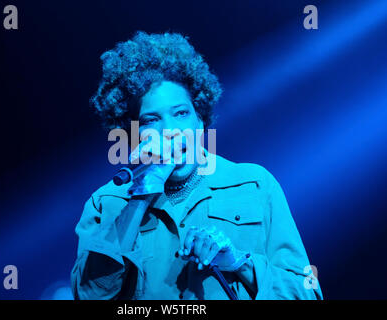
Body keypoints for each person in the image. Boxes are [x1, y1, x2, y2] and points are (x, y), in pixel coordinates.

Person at [71, 31, 323, 300]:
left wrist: (238, 262)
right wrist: (140, 198)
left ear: (200, 119)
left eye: (180, 113)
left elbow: (306, 293)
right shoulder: (107, 202)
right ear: (133, 133)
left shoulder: (255, 184)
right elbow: (89, 295)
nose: (170, 130)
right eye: (151, 120)